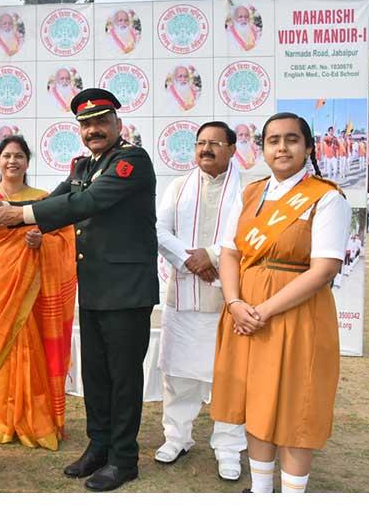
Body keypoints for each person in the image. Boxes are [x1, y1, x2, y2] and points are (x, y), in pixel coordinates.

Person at [0, 88, 159, 492]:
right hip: (92, 289)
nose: (94, 130)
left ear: (118, 125)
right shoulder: (82, 166)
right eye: (86, 125)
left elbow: (84, 204)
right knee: (96, 375)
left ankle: (124, 460)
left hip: (127, 292)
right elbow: (51, 201)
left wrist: (18, 212)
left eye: (101, 122)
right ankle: (99, 446)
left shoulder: (131, 162)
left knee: (123, 378)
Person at [211, 112, 351, 493]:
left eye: (292, 139)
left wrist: (262, 311)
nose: (282, 147)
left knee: (295, 407)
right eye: (273, 140)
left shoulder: (326, 197)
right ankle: (261, 494)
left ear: (308, 147)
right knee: (256, 402)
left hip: (296, 315)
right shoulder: (249, 193)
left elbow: (323, 270)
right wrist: (235, 302)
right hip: (245, 313)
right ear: (263, 148)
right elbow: (228, 253)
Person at [0, 135, 77, 450]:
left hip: (29, 284)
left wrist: (43, 242)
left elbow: (65, 238)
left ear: (28, 161)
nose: (12, 161)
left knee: (28, 347)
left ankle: (32, 420)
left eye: (18, 156)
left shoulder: (43, 199)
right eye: (6, 156)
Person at [155, 121, 247, 480]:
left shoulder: (249, 189)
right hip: (184, 292)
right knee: (178, 373)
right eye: (201, 143)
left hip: (230, 298)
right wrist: (189, 259)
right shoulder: (178, 187)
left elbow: (245, 232)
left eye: (215, 143)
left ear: (232, 148)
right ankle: (177, 437)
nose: (206, 149)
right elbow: (159, 229)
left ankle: (228, 448)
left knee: (229, 377)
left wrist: (210, 255)